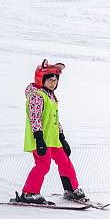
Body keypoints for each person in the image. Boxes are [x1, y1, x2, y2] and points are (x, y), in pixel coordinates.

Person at [18, 59, 85, 204]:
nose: (53, 83)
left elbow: (55, 118)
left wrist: (62, 136)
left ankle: (71, 189)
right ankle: (29, 192)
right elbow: (34, 118)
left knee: (65, 161)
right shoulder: (37, 96)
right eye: (50, 80)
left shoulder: (51, 95)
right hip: (41, 139)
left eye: (55, 81)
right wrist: (39, 137)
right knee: (43, 165)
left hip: (53, 139)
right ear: (41, 79)